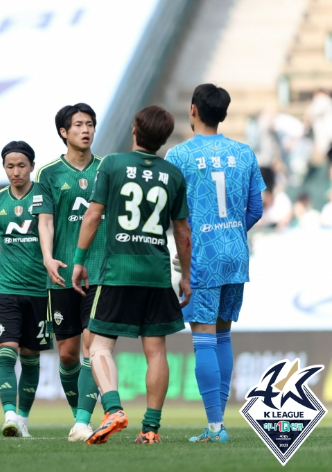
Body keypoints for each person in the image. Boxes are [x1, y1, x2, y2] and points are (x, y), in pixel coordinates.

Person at [73, 105, 191, 445]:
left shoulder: (112, 164)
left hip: (117, 272)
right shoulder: (173, 174)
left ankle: (113, 409)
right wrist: (184, 276)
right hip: (156, 274)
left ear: (135, 129)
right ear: (164, 138)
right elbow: (183, 233)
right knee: (156, 352)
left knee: (98, 347)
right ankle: (151, 428)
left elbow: (93, 216)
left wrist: (80, 260)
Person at [166, 84, 265, 443]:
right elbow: (256, 208)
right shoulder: (244, 152)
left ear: (193, 110)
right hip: (236, 253)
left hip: (201, 256)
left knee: (204, 339)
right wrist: (232, 231)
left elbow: (171, 214)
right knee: (223, 335)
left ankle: (215, 427)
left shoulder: (179, 156)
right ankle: (218, 423)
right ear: (222, 113)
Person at [32, 103, 106, 441]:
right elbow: (44, 220)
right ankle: (83, 417)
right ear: (64, 131)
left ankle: (81, 420)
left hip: (97, 272)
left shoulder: (107, 169)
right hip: (60, 272)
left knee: (92, 345)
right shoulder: (48, 174)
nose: (86, 130)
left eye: (90, 124)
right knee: (68, 353)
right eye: (78, 125)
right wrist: (47, 256)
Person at [0, 141, 51, 438]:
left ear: (32, 166)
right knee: (6, 351)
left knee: (31, 355)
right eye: (10, 166)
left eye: (21, 165)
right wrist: (2, 272)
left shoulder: (44, 195)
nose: (16, 172)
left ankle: (23, 418)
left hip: (40, 289)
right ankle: (10, 415)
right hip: (6, 290)